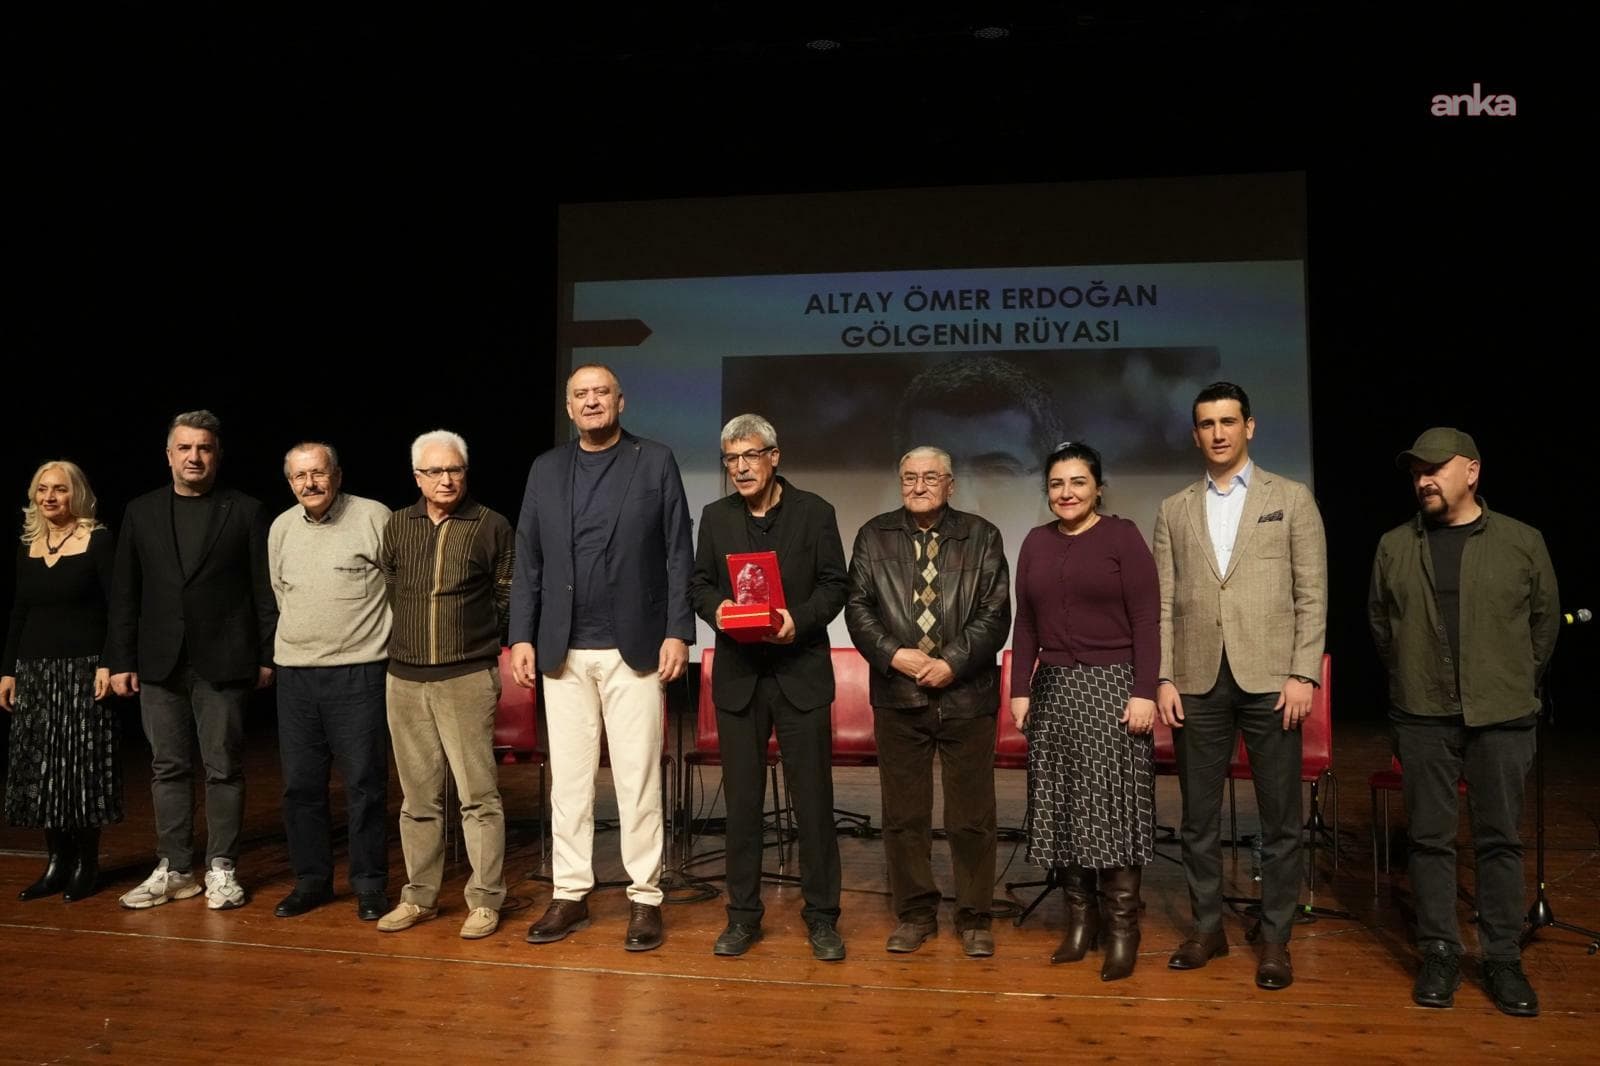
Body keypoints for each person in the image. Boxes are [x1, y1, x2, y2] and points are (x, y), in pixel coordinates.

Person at [1369, 427, 1557, 1017]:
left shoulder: (1522, 542)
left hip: (1502, 716)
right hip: (1423, 715)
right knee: (1428, 841)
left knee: (1500, 840)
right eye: (1416, 470)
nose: (1424, 479)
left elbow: (1544, 626)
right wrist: (1412, 677)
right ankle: (1441, 950)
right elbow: (1381, 627)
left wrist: (1511, 682)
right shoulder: (1395, 546)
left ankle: (1501, 958)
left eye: (1436, 468)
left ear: (1471, 471)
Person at [512, 364, 694, 952]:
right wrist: (522, 636)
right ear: (569, 408)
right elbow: (528, 560)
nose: (591, 402)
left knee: (638, 778)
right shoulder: (546, 468)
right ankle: (570, 894)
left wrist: (678, 631)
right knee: (568, 781)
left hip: (634, 648)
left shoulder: (655, 460)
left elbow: (677, 551)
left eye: (601, 393)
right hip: (562, 649)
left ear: (621, 401)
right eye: (580, 394)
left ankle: (644, 898)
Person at [1154, 382, 1326, 990]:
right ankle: (1207, 928)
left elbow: (1312, 592)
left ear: (1249, 427)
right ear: (1195, 432)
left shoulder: (1292, 498)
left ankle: (1276, 938)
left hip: (1273, 680)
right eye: (1207, 423)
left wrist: (1304, 671)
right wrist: (1166, 675)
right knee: (1198, 819)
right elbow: (1166, 601)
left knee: (1280, 819)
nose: (1218, 432)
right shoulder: (1173, 508)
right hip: (1197, 681)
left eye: (1229, 421)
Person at [690, 414, 849, 960]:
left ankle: (823, 918)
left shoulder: (815, 513)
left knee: (813, 804)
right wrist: (721, 610)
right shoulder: (715, 518)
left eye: (750, 456)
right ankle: (742, 917)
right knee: (741, 806)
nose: (740, 468)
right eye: (731, 459)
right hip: (739, 678)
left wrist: (796, 620)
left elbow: (835, 586)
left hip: (799, 673)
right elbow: (699, 584)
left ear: (774, 456)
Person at [108, 410, 277, 911]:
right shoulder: (140, 512)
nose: (194, 456)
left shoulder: (245, 510)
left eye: (204, 448)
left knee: (223, 766)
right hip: (159, 661)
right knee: (167, 767)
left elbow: (262, 590)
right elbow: (125, 594)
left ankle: (221, 868)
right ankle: (176, 868)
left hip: (224, 660)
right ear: (169, 454)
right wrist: (120, 659)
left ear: (217, 454)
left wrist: (267, 654)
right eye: (185, 448)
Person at [845, 445, 1010, 957]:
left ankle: (975, 917)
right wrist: (897, 656)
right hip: (898, 695)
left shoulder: (982, 536)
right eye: (910, 477)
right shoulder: (874, 535)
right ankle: (916, 913)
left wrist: (952, 662)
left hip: (967, 696)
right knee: (903, 816)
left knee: (972, 817)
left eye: (930, 477)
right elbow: (858, 608)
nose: (918, 486)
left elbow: (995, 612)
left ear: (951, 484)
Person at [1009, 442, 1158, 979]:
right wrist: (1019, 689)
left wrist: (1144, 690)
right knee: (1064, 808)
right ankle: (1080, 922)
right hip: (1053, 691)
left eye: (1077, 482)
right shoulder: (1034, 542)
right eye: (1056, 484)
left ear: (1098, 487)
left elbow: (1146, 619)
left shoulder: (1122, 536)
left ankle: (1122, 932)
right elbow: (1024, 622)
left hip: (1114, 689)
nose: (1066, 493)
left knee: (1113, 811)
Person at [376, 429, 513, 940]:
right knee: (417, 801)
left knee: (479, 797)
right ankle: (419, 898)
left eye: (454, 469)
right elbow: (392, 588)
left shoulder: (491, 524)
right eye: (434, 471)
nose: (446, 479)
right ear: (417, 477)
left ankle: (484, 899)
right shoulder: (396, 525)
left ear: (465, 472)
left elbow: (506, 595)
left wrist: (472, 645)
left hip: (466, 678)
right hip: (405, 680)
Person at [267, 442, 393, 921]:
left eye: (318, 474)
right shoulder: (280, 528)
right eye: (299, 477)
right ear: (290, 482)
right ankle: (312, 880)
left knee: (364, 783)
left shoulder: (373, 517)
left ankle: (369, 883)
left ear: (337, 475)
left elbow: (397, 588)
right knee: (300, 786)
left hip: (359, 672)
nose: (310, 484)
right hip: (296, 675)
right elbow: (281, 593)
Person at [1, 461, 119, 902]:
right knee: (45, 768)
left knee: (80, 769)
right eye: (43, 490)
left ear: (77, 495)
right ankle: (56, 863)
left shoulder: (98, 540)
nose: (50, 497)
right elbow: (20, 611)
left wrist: (109, 663)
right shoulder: (28, 544)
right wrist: (8, 669)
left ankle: (87, 864)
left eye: (61, 490)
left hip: (83, 670)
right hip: (35, 671)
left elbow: (117, 610)